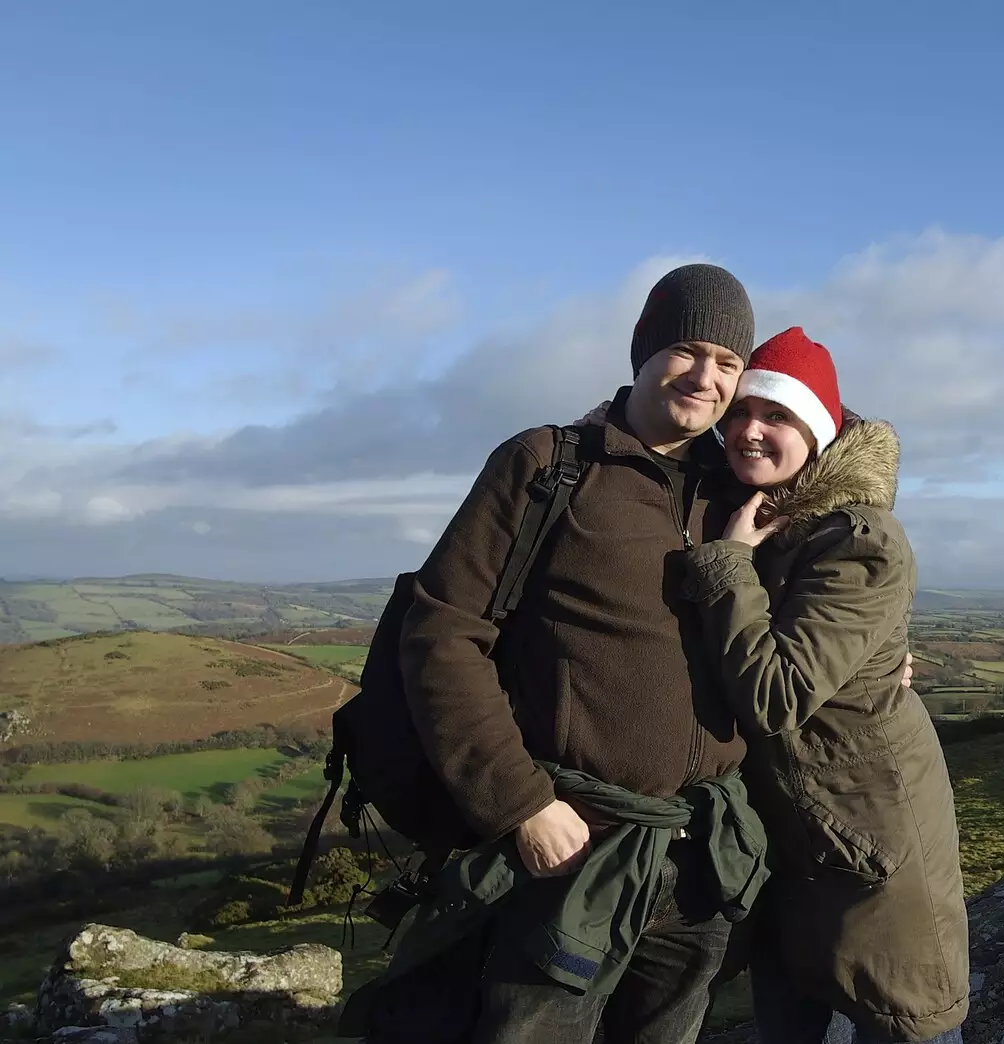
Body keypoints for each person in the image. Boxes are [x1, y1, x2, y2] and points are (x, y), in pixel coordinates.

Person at [373, 263, 769, 1044]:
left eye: (728, 362)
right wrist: (520, 803)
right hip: (572, 850)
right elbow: (444, 634)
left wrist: (878, 657)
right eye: (687, 351)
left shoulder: (740, 488)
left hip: (698, 860)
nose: (706, 376)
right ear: (643, 354)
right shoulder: (549, 464)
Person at [683, 327, 969, 1043]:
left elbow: (777, 696)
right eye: (741, 412)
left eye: (776, 416)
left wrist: (726, 568)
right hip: (795, 831)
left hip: (866, 826)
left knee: (903, 1017)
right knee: (791, 1010)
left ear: (816, 429)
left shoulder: (857, 540)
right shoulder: (766, 515)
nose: (749, 430)